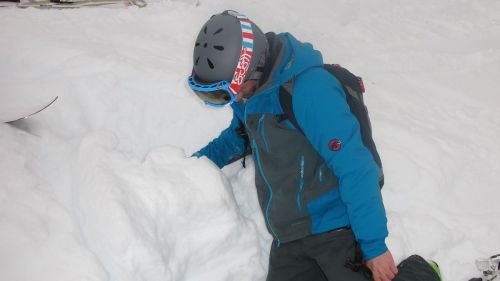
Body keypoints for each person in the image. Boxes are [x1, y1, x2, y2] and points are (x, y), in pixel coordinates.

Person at [188, 10, 398, 281]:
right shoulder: (250, 95)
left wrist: (374, 247)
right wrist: (188, 168)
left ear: (255, 66)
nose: (235, 97)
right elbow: (239, 137)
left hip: (338, 232)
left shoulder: (310, 90)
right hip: (289, 239)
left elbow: (356, 167)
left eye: (234, 89)